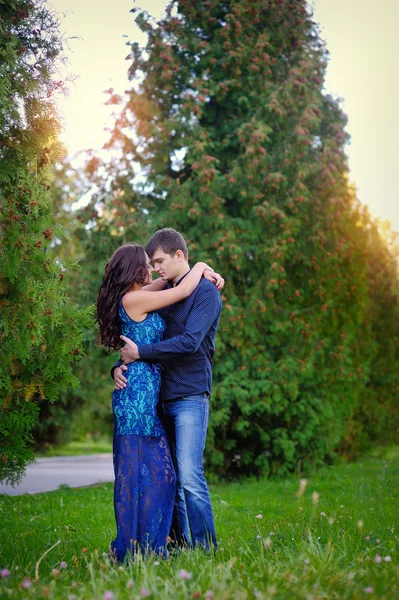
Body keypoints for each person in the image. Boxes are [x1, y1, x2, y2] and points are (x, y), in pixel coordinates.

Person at [97, 242, 220, 561]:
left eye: (158, 262)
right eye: (149, 263)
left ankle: (163, 545)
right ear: (136, 267)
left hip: (157, 393)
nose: (154, 268)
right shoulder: (136, 298)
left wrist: (201, 268)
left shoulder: (143, 293)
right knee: (141, 473)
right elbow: (177, 291)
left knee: (165, 476)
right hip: (139, 398)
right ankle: (135, 547)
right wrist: (202, 264)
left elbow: (173, 283)